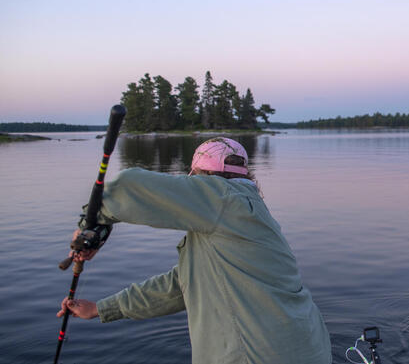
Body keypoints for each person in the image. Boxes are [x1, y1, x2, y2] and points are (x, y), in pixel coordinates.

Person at [57, 137, 332, 363]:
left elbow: (128, 187)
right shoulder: (245, 213)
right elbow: (180, 286)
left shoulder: (223, 197)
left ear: (202, 177)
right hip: (310, 347)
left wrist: (91, 227)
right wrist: (101, 308)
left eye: (195, 180)